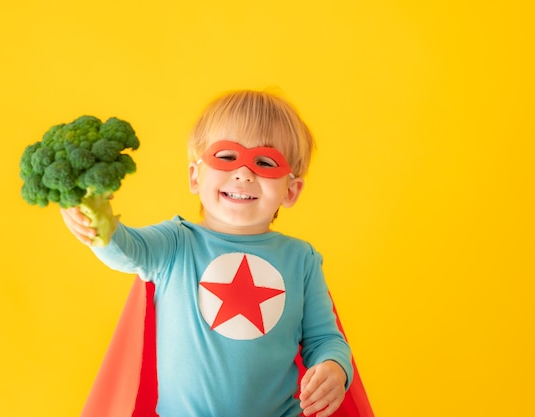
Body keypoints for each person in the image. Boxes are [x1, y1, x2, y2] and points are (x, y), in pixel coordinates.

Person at [61, 90, 353, 417]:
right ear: (194, 176)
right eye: (227, 156)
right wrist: (93, 217)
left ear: (291, 190)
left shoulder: (301, 259)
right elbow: (127, 251)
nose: (244, 173)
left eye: (265, 162)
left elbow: (325, 338)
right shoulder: (176, 242)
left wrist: (334, 368)